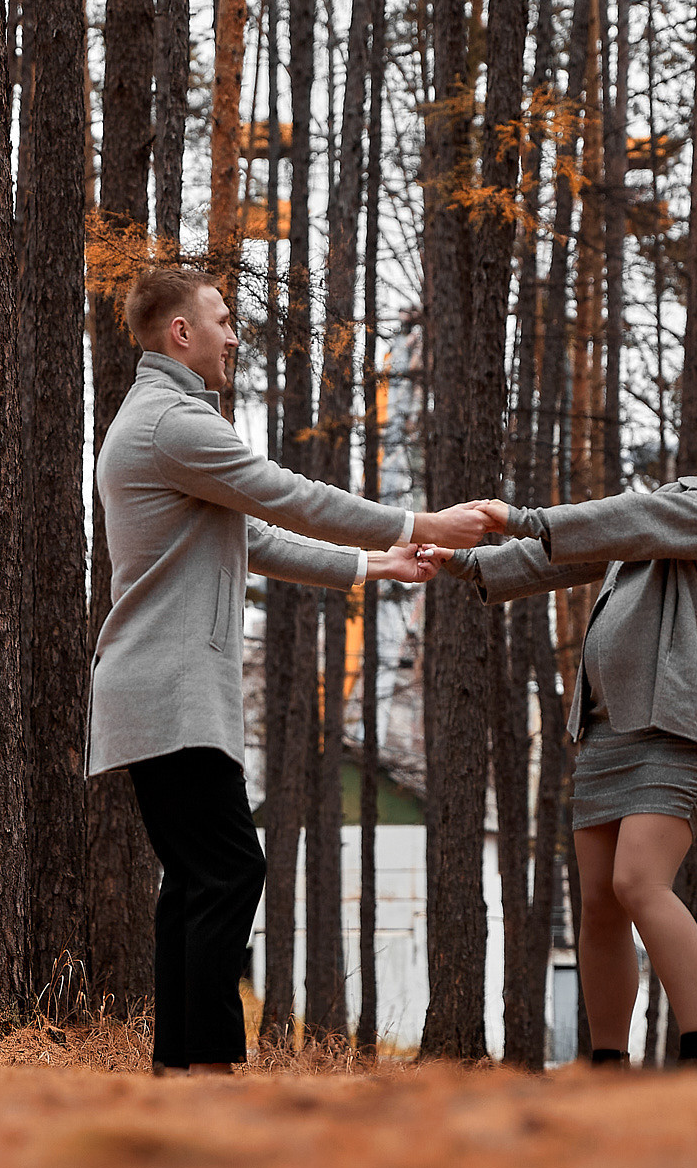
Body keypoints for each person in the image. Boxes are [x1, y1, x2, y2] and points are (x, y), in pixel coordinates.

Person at [91, 266, 496, 1075]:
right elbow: (287, 495)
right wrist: (419, 521)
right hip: (168, 688)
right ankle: (207, 1067)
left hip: (158, 687)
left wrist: (376, 565)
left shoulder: (162, 420)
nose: (234, 335)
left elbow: (253, 538)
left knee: (195, 878)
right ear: (181, 332)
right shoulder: (173, 422)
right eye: (222, 319)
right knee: (229, 869)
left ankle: (180, 1066)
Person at [429, 352, 697, 1068]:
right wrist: (464, 562)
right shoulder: (686, 503)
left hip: (679, 725)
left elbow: (642, 516)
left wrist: (525, 516)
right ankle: (607, 1067)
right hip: (610, 726)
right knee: (600, 904)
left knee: (638, 881)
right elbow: (576, 557)